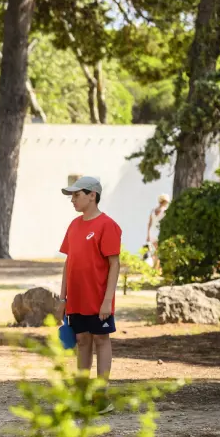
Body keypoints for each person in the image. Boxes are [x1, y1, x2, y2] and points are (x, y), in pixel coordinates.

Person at [59, 176, 122, 414]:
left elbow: (114, 265)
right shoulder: (74, 226)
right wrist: (63, 298)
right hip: (76, 299)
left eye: (76, 195)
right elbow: (69, 262)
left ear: (92, 195)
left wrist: (107, 300)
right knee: (82, 341)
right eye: (72, 196)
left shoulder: (108, 225)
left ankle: (101, 397)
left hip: (98, 299)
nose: (73, 200)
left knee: (101, 340)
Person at [146, 193, 171, 273]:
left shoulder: (153, 210)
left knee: (155, 250)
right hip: (158, 232)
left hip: (152, 232)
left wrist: (148, 234)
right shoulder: (165, 211)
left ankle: (156, 267)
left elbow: (149, 223)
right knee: (157, 250)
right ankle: (156, 268)